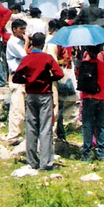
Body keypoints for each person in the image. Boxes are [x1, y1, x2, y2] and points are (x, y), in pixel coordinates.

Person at [12, 32, 64, 171]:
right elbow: (59, 74)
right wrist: (47, 79)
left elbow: (16, 77)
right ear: (43, 44)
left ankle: (31, 161)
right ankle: (45, 163)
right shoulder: (47, 58)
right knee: (45, 128)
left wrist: (28, 80)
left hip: (30, 95)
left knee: (31, 127)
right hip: (45, 94)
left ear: (32, 43)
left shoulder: (26, 59)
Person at [78, 45, 104, 161]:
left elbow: (79, 79)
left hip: (87, 98)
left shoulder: (83, 65)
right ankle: (102, 152)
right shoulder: (102, 65)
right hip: (100, 98)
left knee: (87, 125)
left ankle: (86, 153)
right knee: (101, 125)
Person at [5, 19, 28, 147]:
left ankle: (18, 133)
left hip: (23, 76)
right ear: (14, 29)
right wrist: (28, 42)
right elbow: (23, 55)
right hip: (16, 76)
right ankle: (13, 135)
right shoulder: (12, 42)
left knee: (22, 108)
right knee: (17, 107)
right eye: (21, 29)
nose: (23, 32)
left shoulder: (20, 42)